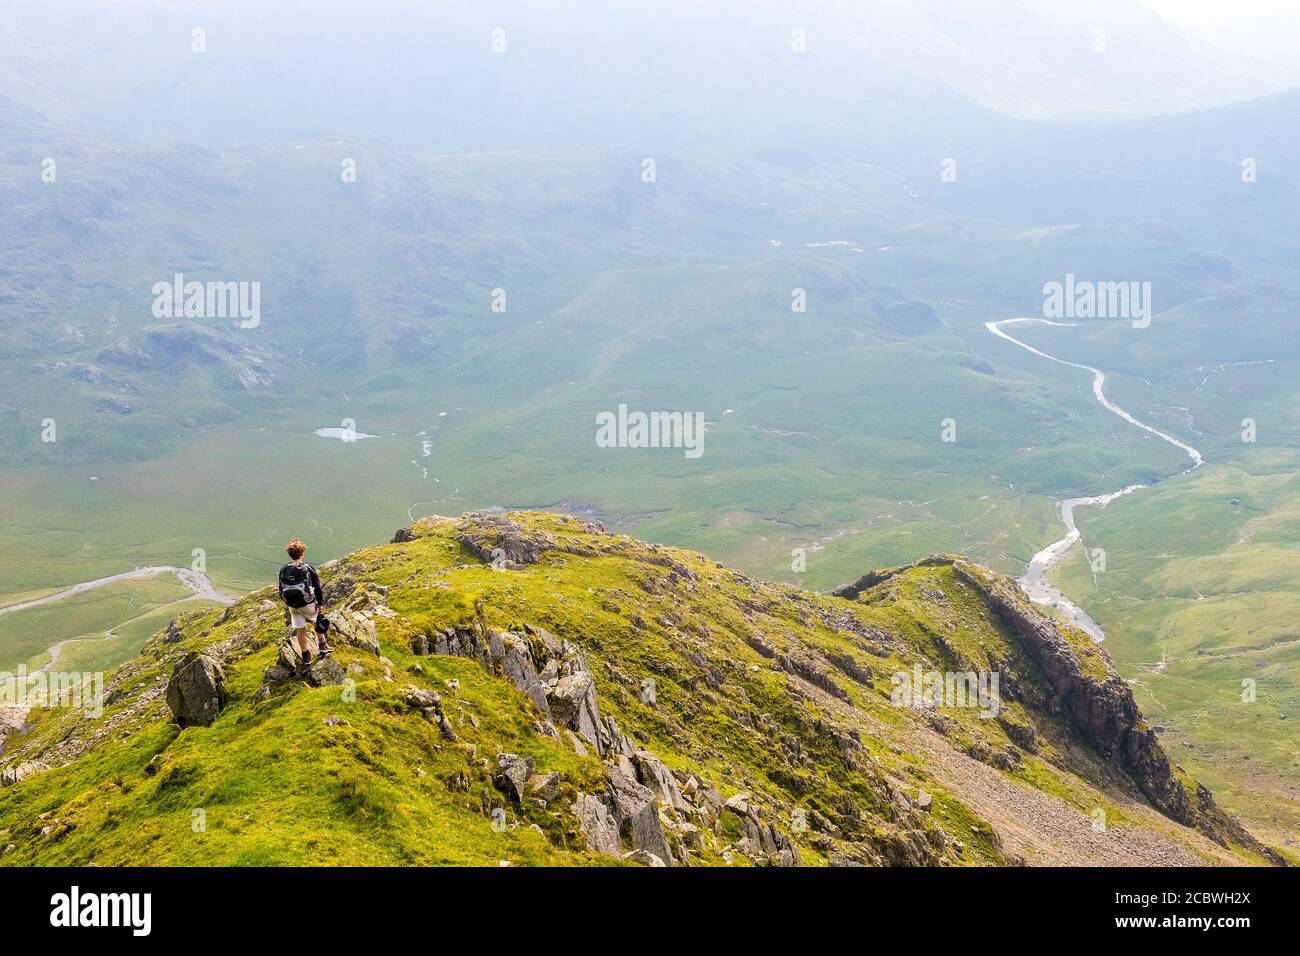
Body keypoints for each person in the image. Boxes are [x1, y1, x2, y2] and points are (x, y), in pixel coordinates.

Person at [278, 539, 332, 664]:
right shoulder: (307, 569)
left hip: (292, 605)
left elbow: (281, 588)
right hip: (307, 603)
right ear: (302, 553)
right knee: (316, 622)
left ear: (290, 554)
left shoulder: (284, 569)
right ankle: (323, 647)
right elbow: (317, 588)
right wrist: (320, 604)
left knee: (300, 630)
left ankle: (305, 656)